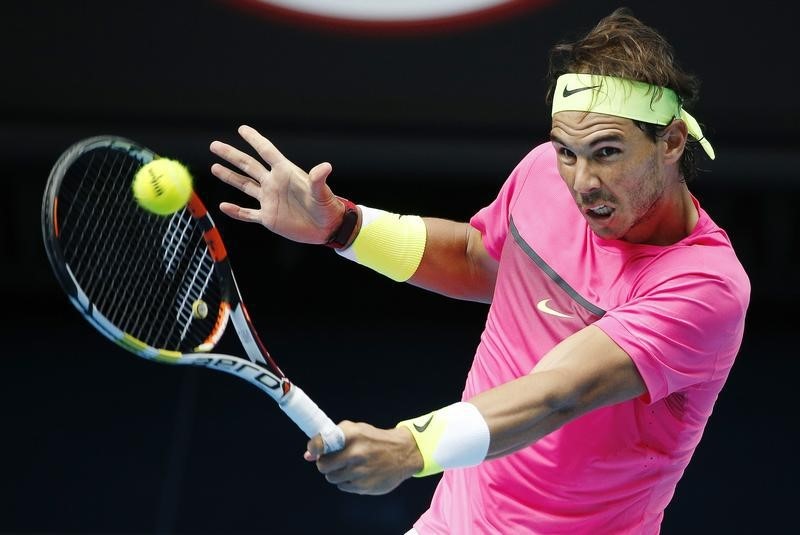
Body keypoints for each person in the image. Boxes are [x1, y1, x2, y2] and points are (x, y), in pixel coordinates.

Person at [208, 8, 750, 534]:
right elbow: (477, 258)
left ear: (672, 141)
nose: (582, 182)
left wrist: (411, 446)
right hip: (454, 521)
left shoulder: (705, 286)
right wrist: (344, 227)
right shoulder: (542, 174)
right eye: (567, 150)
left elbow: (558, 391)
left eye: (606, 152)